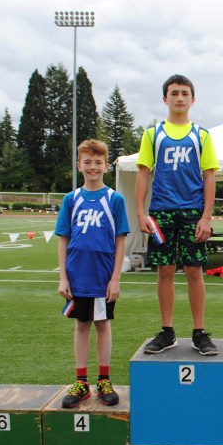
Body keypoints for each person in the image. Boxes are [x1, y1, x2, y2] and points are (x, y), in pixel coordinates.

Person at [135, 74, 219, 356]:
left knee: (194, 270)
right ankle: (167, 332)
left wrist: (206, 217)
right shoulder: (152, 134)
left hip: (193, 212)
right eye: (174, 93)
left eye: (185, 93)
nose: (179, 98)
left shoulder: (202, 135)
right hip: (161, 212)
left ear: (193, 99)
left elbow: (209, 177)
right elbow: (143, 174)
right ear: (165, 99)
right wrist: (140, 213)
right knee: (165, 270)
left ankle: (199, 332)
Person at [56, 139, 130, 408]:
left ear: (106, 166)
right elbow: (63, 239)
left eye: (98, 162)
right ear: (79, 165)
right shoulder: (71, 199)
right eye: (87, 162)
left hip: (102, 277)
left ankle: (104, 380)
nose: (92, 167)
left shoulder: (114, 199)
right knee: (81, 325)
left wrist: (115, 278)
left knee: (102, 324)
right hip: (77, 276)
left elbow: (120, 241)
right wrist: (63, 277)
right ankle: (81, 382)